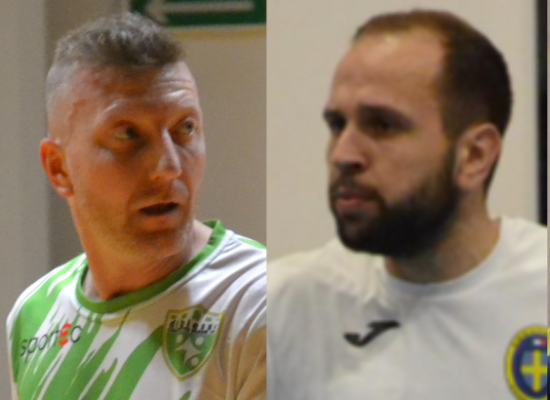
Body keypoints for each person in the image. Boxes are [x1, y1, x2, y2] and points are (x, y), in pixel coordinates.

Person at [268, 10, 546, 400]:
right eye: (337, 125)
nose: (343, 154)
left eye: (382, 125)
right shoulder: (279, 309)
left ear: (474, 156)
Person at [7, 13, 266, 400]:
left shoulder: (262, 304)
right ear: (59, 168)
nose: (169, 166)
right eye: (128, 134)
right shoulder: (33, 315)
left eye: (185, 128)